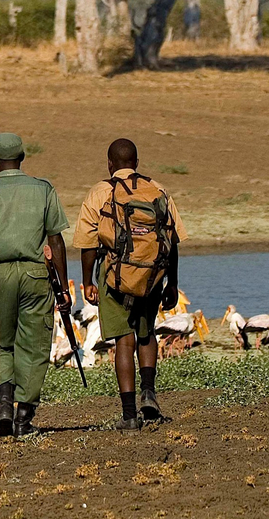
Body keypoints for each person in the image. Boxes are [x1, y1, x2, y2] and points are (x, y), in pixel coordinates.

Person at [73, 138, 186, 428]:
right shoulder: (157, 189)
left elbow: (87, 243)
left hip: (115, 276)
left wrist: (87, 281)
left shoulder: (100, 192)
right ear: (136, 163)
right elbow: (171, 241)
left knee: (125, 340)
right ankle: (149, 393)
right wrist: (172, 282)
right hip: (151, 276)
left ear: (109, 164)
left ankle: (128, 415)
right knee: (146, 335)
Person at [0, 132, 71, 437]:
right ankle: (23, 418)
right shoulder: (43, 189)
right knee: (34, 346)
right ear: (22, 157)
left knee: (1, 343)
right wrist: (64, 288)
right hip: (36, 274)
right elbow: (56, 240)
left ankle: (4, 406)